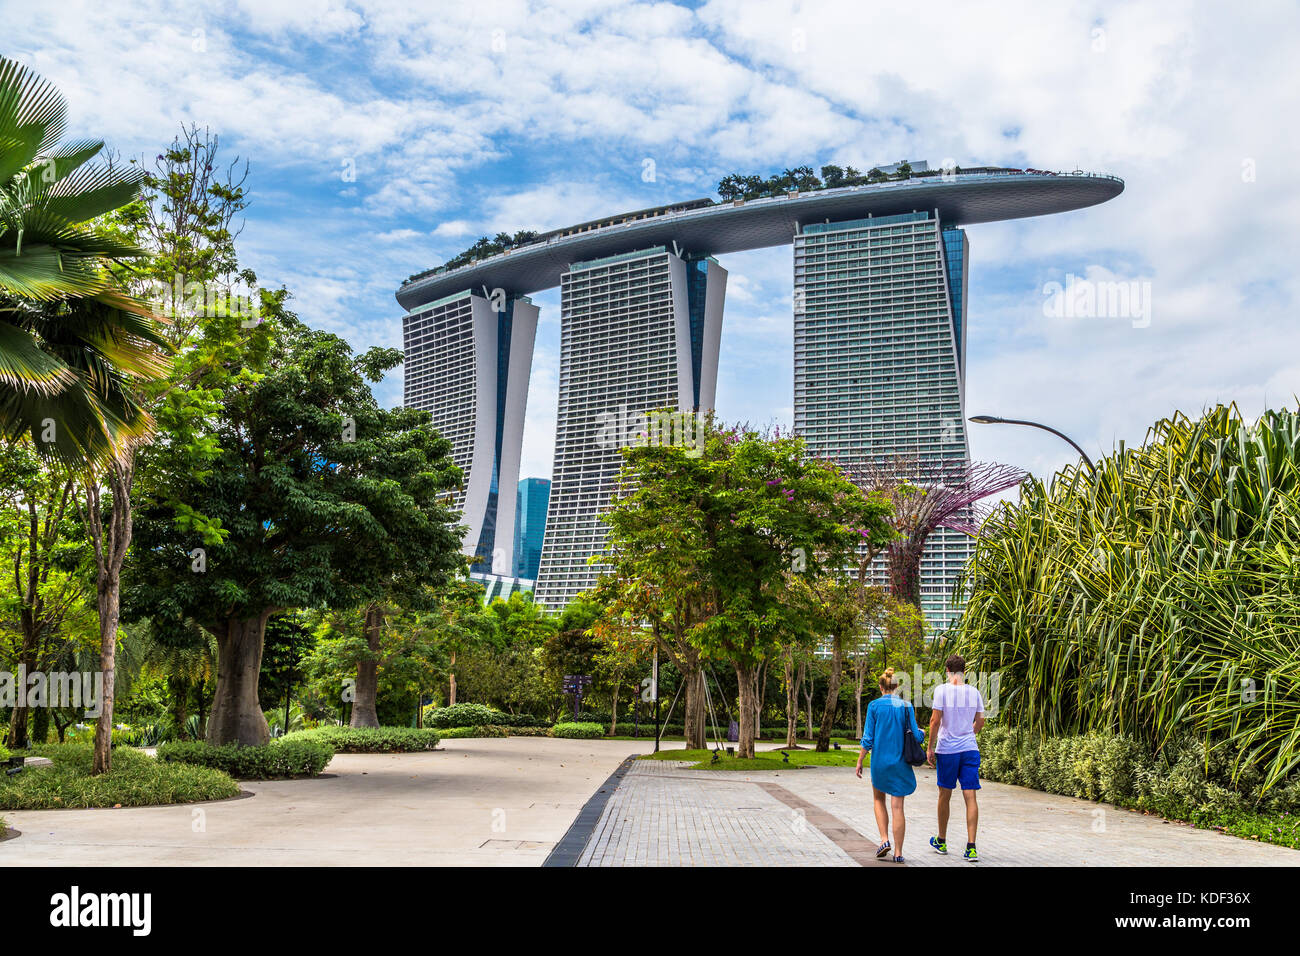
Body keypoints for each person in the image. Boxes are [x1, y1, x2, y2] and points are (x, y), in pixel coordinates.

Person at [856, 666, 926, 863]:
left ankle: (884, 840)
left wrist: (860, 759)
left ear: (881, 687)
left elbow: (868, 738)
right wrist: (922, 732)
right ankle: (898, 852)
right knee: (898, 807)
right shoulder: (906, 706)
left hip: (879, 762)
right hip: (901, 763)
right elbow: (917, 736)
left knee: (879, 800)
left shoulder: (874, 706)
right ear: (896, 687)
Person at [927, 654, 986, 862]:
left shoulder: (941, 690)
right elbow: (980, 722)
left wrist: (930, 747)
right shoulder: (974, 692)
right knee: (970, 797)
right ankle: (971, 847)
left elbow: (935, 721)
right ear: (965, 671)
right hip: (970, 749)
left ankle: (941, 840)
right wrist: (968, 733)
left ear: (947, 670)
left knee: (945, 794)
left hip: (947, 750)